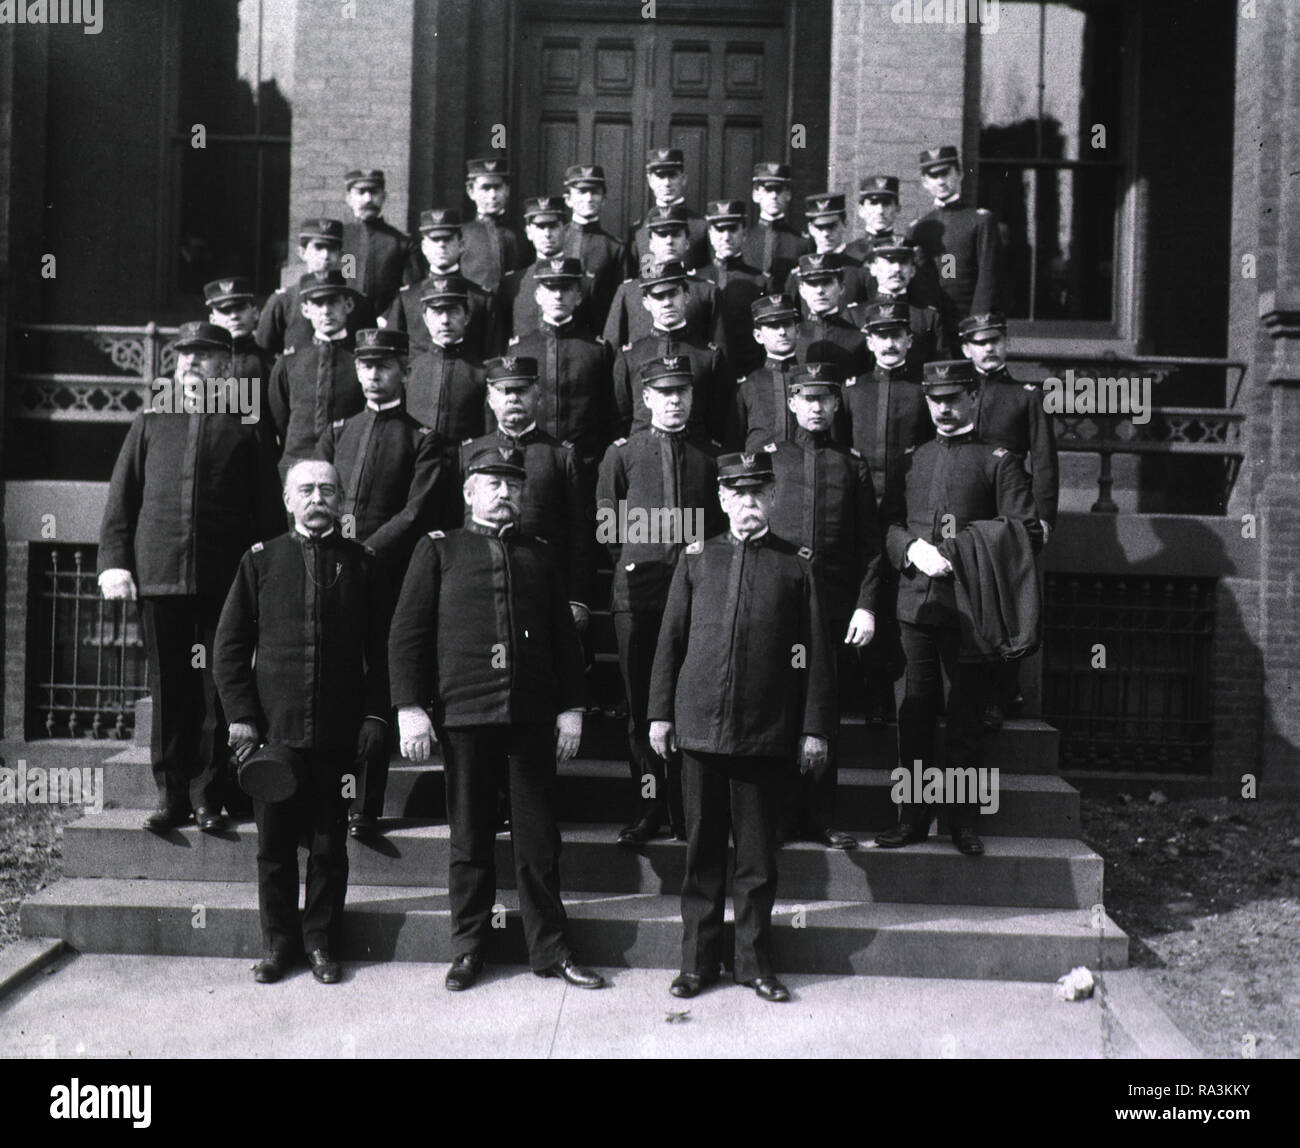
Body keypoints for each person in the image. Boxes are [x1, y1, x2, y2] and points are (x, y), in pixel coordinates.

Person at [389, 445, 605, 992]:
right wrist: (411, 709)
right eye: (492, 484)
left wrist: (572, 710)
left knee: (538, 843)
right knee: (470, 841)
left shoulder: (539, 553)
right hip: (465, 716)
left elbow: (563, 639)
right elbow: (408, 634)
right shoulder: (438, 550)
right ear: (469, 492)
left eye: (513, 485)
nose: (505, 494)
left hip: (531, 720)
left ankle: (551, 951)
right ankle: (468, 949)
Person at [649, 451, 835, 1003]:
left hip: (764, 731)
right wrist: (660, 713)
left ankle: (754, 965)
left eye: (758, 494)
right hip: (701, 732)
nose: (748, 504)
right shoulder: (696, 558)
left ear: (773, 497)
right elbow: (670, 643)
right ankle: (697, 963)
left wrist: (813, 728)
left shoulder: (796, 563)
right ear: (722, 500)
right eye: (737, 494)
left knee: (756, 858)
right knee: (703, 852)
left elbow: (817, 655)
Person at [98, 321, 282, 833]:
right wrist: (114, 561)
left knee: (215, 691)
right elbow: (122, 499)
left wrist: (267, 581)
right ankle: (170, 794)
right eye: (184, 358)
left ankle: (208, 795)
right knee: (168, 687)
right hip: (159, 579)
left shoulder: (246, 425)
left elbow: (268, 515)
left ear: (226, 366)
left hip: (223, 585)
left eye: (202, 357)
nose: (191, 366)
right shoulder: (153, 419)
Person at [215, 459, 391, 985]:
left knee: (328, 847)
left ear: (340, 502)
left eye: (328, 490)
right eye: (306, 490)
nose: (317, 498)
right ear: (289, 500)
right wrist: (243, 718)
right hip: (274, 735)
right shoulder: (261, 561)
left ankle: (319, 943)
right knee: (272, 849)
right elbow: (228, 649)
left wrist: (375, 715)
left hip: (337, 737)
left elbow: (383, 651)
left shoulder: (361, 563)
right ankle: (279, 946)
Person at [876, 360, 1042, 856]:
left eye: (952, 398)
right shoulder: (913, 458)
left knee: (965, 721)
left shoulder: (999, 460)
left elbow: (1023, 530)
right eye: (935, 399)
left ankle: (962, 823)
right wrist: (908, 548)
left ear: (974, 397)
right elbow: (886, 522)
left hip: (971, 610)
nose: (943, 409)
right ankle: (911, 820)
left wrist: (958, 552)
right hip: (914, 608)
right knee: (915, 716)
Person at [314, 328, 448, 836]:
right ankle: (329, 794)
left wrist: (367, 552)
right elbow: (319, 491)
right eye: (365, 365)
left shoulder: (423, 439)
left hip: (387, 578)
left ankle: (365, 805)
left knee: (375, 687)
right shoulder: (338, 430)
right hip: (331, 573)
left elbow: (415, 513)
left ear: (405, 371)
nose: (373, 373)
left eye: (384, 365)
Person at [597, 358, 724, 846]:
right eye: (663, 392)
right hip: (640, 593)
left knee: (690, 702)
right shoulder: (623, 454)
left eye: (682, 392)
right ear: (646, 398)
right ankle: (649, 803)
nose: (674, 400)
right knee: (641, 709)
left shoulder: (710, 454)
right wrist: (655, 547)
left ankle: (687, 809)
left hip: (696, 594)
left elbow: (718, 528)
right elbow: (607, 527)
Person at [765, 362, 881, 850]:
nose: (815, 407)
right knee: (775, 705)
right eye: (806, 398)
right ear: (792, 403)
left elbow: (871, 546)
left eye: (825, 399)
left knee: (822, 710)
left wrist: (866, 606)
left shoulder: (852, 465)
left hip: (832, 607)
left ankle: (821, 817)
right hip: (776, 604)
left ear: (837, 405)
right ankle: (775, 817)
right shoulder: (769, 458)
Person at [958, 310, 1059, 725]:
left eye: (995, 340)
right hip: (966, 503)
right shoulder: (958, 392)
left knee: (1007, 599)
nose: (989, 348)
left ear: (1006, 344)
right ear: (966, 349)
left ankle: (999, 694)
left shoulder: (1028, 395)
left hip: (1008, 507)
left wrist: (1044, 517)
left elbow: (1046, 461)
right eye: (980, 342)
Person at [503, 256, 615, 481]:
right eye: (550, 287)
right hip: (531, 465)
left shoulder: (597, 350)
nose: (558, 295)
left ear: (579, 296)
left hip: (586, 465)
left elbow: (611, 413)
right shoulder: (519, 349)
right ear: (537, 295)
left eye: (566, 288)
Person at [611, 260, 731, 444]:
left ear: (687, 296)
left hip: (695, 452)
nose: (667, 303)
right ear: (646, 303)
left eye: (673, 293)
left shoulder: (708, 355)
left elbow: (717, 417)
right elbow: (622, 415)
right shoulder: (630, 356)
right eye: (658, 297)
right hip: (644, 453)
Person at [266, 269, 364, 472]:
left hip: (346, 462)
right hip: (297, 462)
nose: (326, 311)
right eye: (318, 304)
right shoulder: (290, 361)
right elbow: (279, 415)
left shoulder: (361, 359)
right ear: (305, 310)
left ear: (348, 305)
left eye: (333, 302)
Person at [906, 146, 1004, 339]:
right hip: (932, 327)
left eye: (946, 173)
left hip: (969, 322)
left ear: (959, 174)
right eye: (934, 176)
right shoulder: (919, 228)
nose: (941, 181)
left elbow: (988, 275)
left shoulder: (979, 220)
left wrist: (977, 324)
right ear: (925, 182)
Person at [383, 207, 503, 358]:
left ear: (461, 246)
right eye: (434, 240)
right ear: (424, 247)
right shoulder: (407, 298)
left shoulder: (482, 299)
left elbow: (492, 355)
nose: (441, 245)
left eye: (447, 239)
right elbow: (393, 353)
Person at [604, 206, 721, 349]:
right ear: (651, 244)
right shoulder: (629, 291)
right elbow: (611, 349)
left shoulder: (706, 291)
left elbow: (718, 351)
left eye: (676, 234)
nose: (669, 241)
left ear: (687, 243)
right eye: (662, 235)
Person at [256, 218, 375, 358]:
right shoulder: (283, 301)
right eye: (318, 247)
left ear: (340, 255)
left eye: (332, 248)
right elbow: (265, 353)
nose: (325, 256)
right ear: (302, 252)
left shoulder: (356, 301)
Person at [403, 275, 489, 442]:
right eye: (436, 312)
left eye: (453, 311)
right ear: (425, 319)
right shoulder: (411, 371)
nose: (445, 321)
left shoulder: (481, 373)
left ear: (467, 317)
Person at [693, 199, 769, 377]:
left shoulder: (760, 281)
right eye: (719, 230)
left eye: (733, 229)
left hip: (746, 370)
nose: (726, 237)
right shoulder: (696, 278)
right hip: (705, 372)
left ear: (744, 233)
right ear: (710, 233)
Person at [340, 167, 421, 316]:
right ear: (349, 199)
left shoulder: (401, 243)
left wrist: (388, 318)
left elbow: (411, 291)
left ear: (383, 197)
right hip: (344, 322)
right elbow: (342, 279)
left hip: (386, 325)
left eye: (374, 192)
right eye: (361, 192)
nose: (368, 199)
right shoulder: (341, 239)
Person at [731, 293, 803, 449]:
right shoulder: (749, 385)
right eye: (773, 326)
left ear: (797, 331)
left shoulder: (807, 379)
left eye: (787, 324)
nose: (782, 332)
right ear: (758, 336)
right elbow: (735, 439)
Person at [501, 197, 580, 339]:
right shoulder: (513, 282)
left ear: (566, 230)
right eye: (540, 227)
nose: (547, 234)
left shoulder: (579, 279)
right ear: (529, 232)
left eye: (553, 226)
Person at [561, 163, 625, 332]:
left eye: (595, 192)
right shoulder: (556, 240)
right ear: (568, 199)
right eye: (582, 192)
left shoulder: (614, 247)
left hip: (597, 333)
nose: (588, 198)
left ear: (603, 199)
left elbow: (620, 299)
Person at [626, 147, 709, 273]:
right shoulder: (639, 230)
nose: (667, 183)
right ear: (650, 180)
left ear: (683, 178)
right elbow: (640, 278)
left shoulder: (702, 226)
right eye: (660, 176)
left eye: (673, 175)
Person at [789, 193, 870, 307]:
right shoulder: (799, 274)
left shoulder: (860, 271)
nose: (826, 234)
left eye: (832, 226)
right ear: (811, 229)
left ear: (845, 225)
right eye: (819, 227)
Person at [461, 155, 527, 292]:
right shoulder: (461, 234)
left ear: (507, 189)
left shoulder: (521, 234)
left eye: (497, 187)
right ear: (471, 191)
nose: (492, 195)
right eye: (485, 188)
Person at [743, 161, 811, 293]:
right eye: (768, 190)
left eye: (779, 190)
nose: (774, 196)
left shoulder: (802, 242)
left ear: (788, 195)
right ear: (756, 195)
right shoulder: (743, 239)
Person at [845, 175, 903, 263]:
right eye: (873, 203)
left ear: (897, 209)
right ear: (861, 210)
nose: (880, 210)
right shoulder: (849, 252)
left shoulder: (908, 248)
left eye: (886, 203)